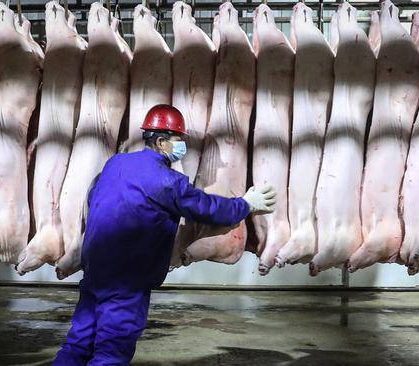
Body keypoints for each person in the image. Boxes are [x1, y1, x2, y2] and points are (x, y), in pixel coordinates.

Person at [53, 104, 277, 365]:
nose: (181, 145)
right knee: (112, 350)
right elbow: (206, 208)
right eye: (177, 140)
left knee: (79, 341)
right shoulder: (166, 180)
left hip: (96, 269)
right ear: (160, 141)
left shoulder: (116, 164)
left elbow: (94, 197)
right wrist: (246, 204)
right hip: (127, 279)